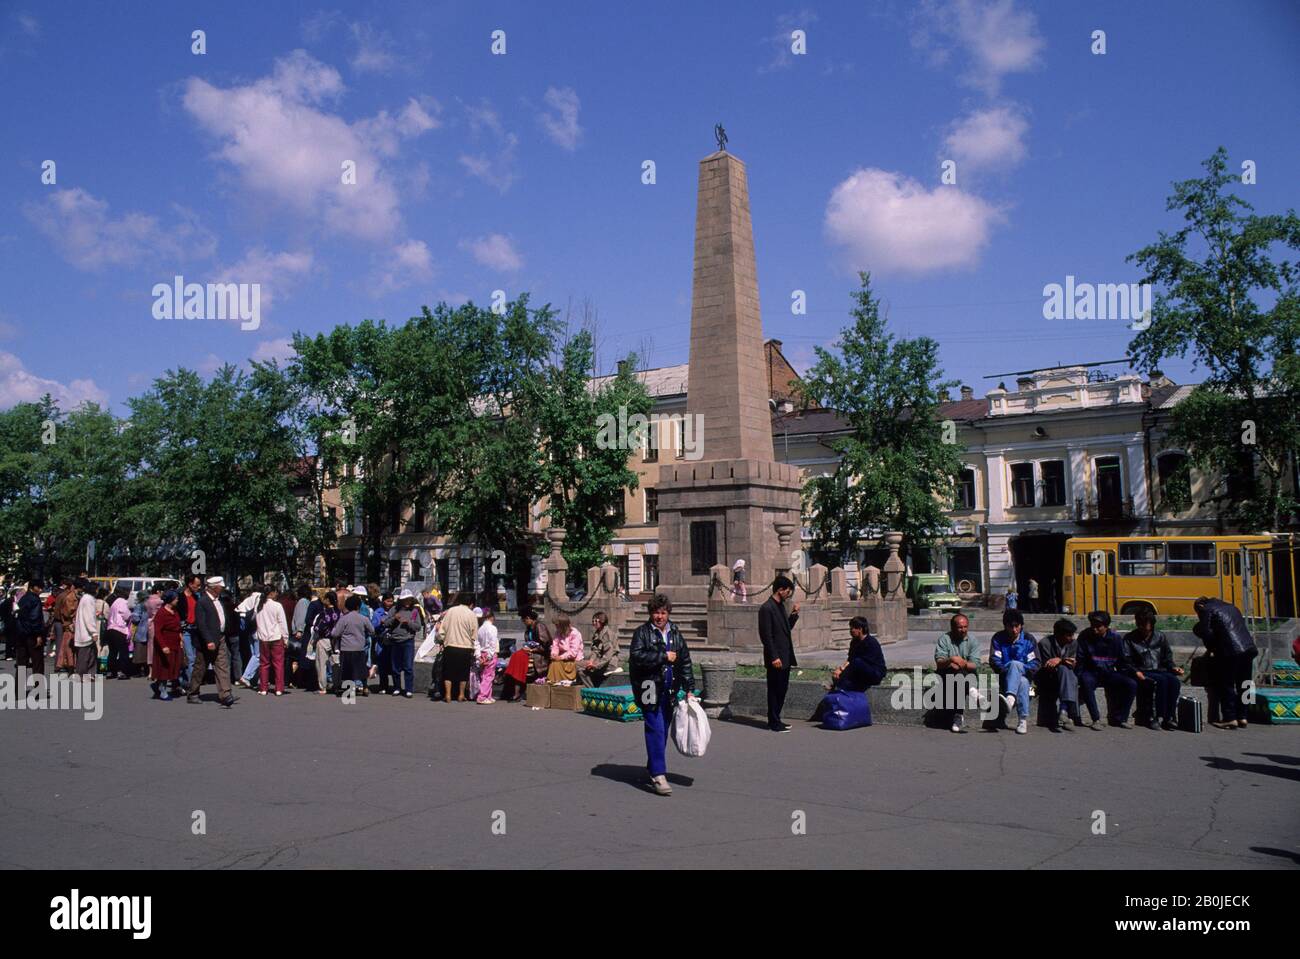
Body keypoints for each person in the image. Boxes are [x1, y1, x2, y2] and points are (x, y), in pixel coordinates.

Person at [629, 594, 696, 797]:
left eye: (663, 612)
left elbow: (684, 660)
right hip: (649, 686)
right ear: (651, 613)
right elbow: (637, 657)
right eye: (656, 612)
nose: (659, 616)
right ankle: (659, 775)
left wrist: (690, 687)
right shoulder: (642, 633)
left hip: (669, 688)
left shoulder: (675, 632)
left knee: (663, 730)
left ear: (668, 613)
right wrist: (663, 656)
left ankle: (652, 767)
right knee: (655, 729)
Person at [1193, 596, 1258, 730]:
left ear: (1200, 607)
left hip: (1230, 651)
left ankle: (1229, 718)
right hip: (1249, 649)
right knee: (1245, 684)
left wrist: (1211, 649)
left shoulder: (1207, 610)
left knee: (1226, 684)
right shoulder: (1232, 607)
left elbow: (1206, 632)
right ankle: (1243, 716)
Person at [1076, 610, 1138, 729]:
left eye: (1098, 626)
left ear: (1106, 626)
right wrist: (1078, 676)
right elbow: (1081, 659)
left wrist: (1131, 673)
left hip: (1109, 673)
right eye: (1093, 626)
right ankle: (1096, 719)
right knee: (1086, 682)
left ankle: (1122, 718)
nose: (1095, 629)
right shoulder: (1085, 636)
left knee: (1131, 684)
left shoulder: (1115, 638)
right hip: (1091, 672)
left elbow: (1122, 661)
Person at [1125, 608, 1184, 730]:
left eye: (1146, 626)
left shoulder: (1160, 636)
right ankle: (1155, 717)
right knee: (1160, 682)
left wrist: (1174, 668)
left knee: (1174, 682)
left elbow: (1167, 657)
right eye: (1140, 625)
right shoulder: (1129, 638)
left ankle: (1170, 716)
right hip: (1142, 670)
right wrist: (1136, 671)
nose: (1143, 629)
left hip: (1159, 669)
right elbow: (1126, 660)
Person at [758, 575, 800, 732]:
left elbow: (785, 629)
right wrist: (774, 656)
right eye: (788, 591)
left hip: (785, 655)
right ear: (780, 590)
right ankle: (773, 721)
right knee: (775, 689)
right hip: (776, 657)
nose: (788, 594)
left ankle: (777, 718)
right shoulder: (766, 608)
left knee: (782, 688)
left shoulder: (780, 606)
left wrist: (794, 615)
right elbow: (766, 636)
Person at [989, 608, 1038, 734]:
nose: (1014, 630)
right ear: (1005, 626)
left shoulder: (1028, 639)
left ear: (1021, 626)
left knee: (1018, 669)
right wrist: (1009, 669)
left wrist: (1020, 669)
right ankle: (1023, 720)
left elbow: (1035, 663)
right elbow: (995, 660)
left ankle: (1010, 699)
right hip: (1004, 678)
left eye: (1017, 626)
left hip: (1027, 676)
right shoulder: (998, 638)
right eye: (1011, 627)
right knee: (1021, 681)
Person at [189, 577, 236, 707]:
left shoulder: (218, 600)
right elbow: (201, 623)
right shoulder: (202, 602)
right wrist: (208, 640)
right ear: (214, 587)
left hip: (220, 637)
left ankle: (225, 694)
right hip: (207, 640)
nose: (222, 588)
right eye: (220, 586)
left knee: (222, 665)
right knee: (201, 667)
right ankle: (193, 692)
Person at [934, 613, 983, 733]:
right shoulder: (944, 639)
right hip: (947, 676)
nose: (963, 630)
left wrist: (963, 663)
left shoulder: (973, 641)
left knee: (960, 676)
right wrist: (951, 659)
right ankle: (973, 693)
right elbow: (939, 663)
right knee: (955, 672)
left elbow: (975, 664)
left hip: (967, 675)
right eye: (960, 627)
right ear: (952, 627)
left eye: (965, 627)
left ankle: (958, 716)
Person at [1035, 619, 1081, 732]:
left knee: (1068, 673)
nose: (1071, 638)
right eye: (1068, 635)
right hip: (1048, 677)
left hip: (1067, 676)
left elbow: (1073, 662)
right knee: (1066, 672)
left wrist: (1061, 660)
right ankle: (1068, 714)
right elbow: (1047, 665)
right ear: (1058, 635)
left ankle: (1064, 712)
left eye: (1072, 635)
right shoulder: (1045, 643)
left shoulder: (1073, 644)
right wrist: (1062, 662)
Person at [331, 594, 375, 696]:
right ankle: (365, 687)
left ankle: (349, 691)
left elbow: (335, 633)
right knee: (361, 669)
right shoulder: (363, 618)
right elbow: (372, 630)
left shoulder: (344, 619)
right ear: (358, 606)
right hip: (359, 648)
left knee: (347, 671)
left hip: (346, 648)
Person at [503, 607, 551, 701]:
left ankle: (517, 692)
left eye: (524, 620)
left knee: (518, 658)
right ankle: (515, 691)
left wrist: (533, 650)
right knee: (516, 656)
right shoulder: (529, 628)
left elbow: (546, 645)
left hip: (539, 653)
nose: (524, 622)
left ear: (529, 618)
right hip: (529, 651)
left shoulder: (539, 626)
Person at [438, 593, 479, 702]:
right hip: (465, 647)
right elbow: (474, 634)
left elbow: (442, 630)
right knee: (463, 672)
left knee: (448, 672)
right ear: (471, 604)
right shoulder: (471, 614)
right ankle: (461, 695)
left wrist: (441, 641)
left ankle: (447, 695)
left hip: (450, 646)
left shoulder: (450, 611)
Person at [831, 617, 886, 692]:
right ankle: (837, 686)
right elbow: (850, 659)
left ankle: (840, 684)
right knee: (841, 674)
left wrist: (842, 671)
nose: (850, 631)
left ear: (860, 629)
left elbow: (861, 662)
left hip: (875, 673)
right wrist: (839, 670)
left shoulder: (871, 643)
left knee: (857, 662)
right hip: (860, 671)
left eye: (852, 628)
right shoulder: (854, 642)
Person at [383, 590, 421, 698]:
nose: (407, 602)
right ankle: (397, 688)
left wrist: (408, 623)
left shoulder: (414, 611)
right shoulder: (394, 610)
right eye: (405, 600)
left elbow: (418, 627)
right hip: (395, 640)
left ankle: (408, 689)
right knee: (395, 667)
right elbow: (386, 623)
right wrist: (394, 619)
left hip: (408, 640)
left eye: (409, 599)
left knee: (408, 667)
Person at [255, 585, 290, 696]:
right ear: (272, 593)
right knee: (278, 663)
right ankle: (279, 688)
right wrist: (285, 638)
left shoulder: (259, 605)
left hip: (263, 637)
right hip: (276, 637)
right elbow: (282, 623)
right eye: (276, 592)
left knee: (264, 663)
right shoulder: (277, 606)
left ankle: (263, 688)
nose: (277, 594)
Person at [151, 590, 184, 701]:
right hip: (165, 643)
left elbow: (178, 626)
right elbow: (158, 632)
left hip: (175, 642)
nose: (177, 600)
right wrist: (163, 646)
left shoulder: (175, 611)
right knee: (165, 667)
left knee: (174, 666)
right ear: (170, 600)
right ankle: (163, 690)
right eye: (176, 599)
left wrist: (180, 638)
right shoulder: (161, 613)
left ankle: (157, 685)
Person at [13, 578, 47, 676]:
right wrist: (38, 635)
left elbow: (18, 616)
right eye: (39, 587)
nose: (41, 590)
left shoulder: (23, 598)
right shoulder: (35, 600)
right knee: (37, 664)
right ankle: (38, 689)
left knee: (21, 664)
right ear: (33, 587)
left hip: (21, 634)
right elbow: (35, 618)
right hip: (32, 635)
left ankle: (19, 690)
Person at [578, 611, 620, 688]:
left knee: (582, 671)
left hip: (609, 664)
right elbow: (595, 651)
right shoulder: (597, 634)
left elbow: (608, 655)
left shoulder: (607, 635)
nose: (593, 623)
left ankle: (593, 691)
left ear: (602, 621)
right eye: (592, 621)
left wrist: (595, 665)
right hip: (599, 662)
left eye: (595, 621)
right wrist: (591, 661)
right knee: (577, 664)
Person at [311, 590, 340, 695]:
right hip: (336, 641)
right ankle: (337, 686)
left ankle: (322, 687)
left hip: (323, 640)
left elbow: (317, 628)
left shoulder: (324, 614)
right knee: (336, 664)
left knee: (321, 664)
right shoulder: (339, 613)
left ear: (328, 600)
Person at [176, 574, 202, 687]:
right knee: (190, 658)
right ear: (190, 584)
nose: (199, 587)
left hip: (195, 629)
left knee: (194, 658)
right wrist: (179, 631)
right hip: (185, 630)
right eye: (197, 585)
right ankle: (192, 684)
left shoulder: (197, 597)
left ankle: (188, 680)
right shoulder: (180, 597)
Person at [104, 585, 134, 680]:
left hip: (110, 628)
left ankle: (111, 671)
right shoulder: (123, 602)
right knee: (123, 652)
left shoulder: (115, 602)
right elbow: (126, 615)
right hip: (119, 629)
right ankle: (122, 671)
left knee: (112, 652)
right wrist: (131, 615)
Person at [73, 578, 100, 678]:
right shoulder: (88, 599)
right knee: (85, 656)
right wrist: (94, 632)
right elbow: (89, 617)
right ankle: (82, 675)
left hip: (83, 631)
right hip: (86, 633)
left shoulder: (86, 598)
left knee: (92, 654)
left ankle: (90, 674)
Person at [547, 614, 582, 684]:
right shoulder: (558, 633)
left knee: (555, 664)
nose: (556, 627)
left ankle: (559, 682)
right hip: (561, 660)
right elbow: (555, 646)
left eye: (557, 625)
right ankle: (553, 683)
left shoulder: (575, 634)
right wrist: (554, 655)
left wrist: (561, 657)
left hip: (573, 661)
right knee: (554, 663)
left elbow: (573, 652)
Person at [371, 592, 395, 694]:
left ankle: (396, 686)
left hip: (393, 641)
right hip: (381, 641)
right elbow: (373, 626)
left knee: (394, 664)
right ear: (383, 601)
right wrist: (380, 623)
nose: (389, 603)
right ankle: (383, 686)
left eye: (391, 601)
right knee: (382, 664)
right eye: (387, 601)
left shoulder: (395, 611)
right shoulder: (378, 612)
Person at [52, 579, 79, 673]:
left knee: (61, 644)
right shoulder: (68, 597)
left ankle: (61, 664)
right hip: (63, 622)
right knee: (65, 645)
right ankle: (62, 665)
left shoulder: (61, 595)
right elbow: (67, 612)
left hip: (58, 621)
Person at [474, 606, 499, 703]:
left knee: (484, 675)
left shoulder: (480, 629)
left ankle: (488, 695)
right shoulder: (492, 628)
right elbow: (493, 643)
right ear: (491, 617)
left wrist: (478, 656)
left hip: (482, 653)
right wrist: (490, 655)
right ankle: (482, 696)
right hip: (489, 653)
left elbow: (477, 643)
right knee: (488, 676)